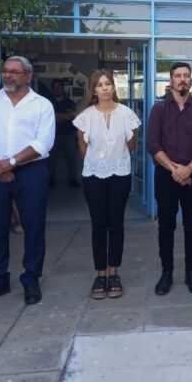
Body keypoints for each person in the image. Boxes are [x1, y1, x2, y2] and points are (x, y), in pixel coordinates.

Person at [0, 56, 55, 306]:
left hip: (31, 171)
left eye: (14, 72)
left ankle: (31, 279)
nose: (8, 76)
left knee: (34, 226)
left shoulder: (41, 105)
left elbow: (43, 142)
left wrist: (11, 163)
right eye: (5, 71)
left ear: (28, 75)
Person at [147, 62, 192, 296]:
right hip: (166, 178)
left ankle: (191, 273)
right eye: (178, 76)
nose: (182, 79)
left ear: (191, 80)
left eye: (186, 75)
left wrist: (188, 170)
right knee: (166, 226)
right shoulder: (159, 110)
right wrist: (176, 170)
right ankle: (166, 273)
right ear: (171, 81)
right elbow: (153, 145)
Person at [74, 70, 141, 300]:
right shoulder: (85, 117)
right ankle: (100, 274)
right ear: (93, 89)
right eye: (99, 85)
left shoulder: (127, 114)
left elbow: (132, 147)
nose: (104, 88)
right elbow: (83, 152)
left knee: (116, 224)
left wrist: (127, 139)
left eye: (108, 84)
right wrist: (100, 161)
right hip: (93, 176)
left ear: (113, 87)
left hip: (120, 174)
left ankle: (114, 272)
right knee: (98, 225)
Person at [49, 79, 80, 187]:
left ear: (62, 88)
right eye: (55, 87)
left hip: (68, 135)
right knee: (51, 159)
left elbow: (73, 116)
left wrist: (58, 116)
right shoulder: (48, 103)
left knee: (72, 158)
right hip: (53, 136)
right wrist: (65, 116)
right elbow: (50, 117)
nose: (57, 89)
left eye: (59, 87)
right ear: (52, 89)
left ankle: (73, 180)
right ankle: (50, 180)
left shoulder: (70, 102)